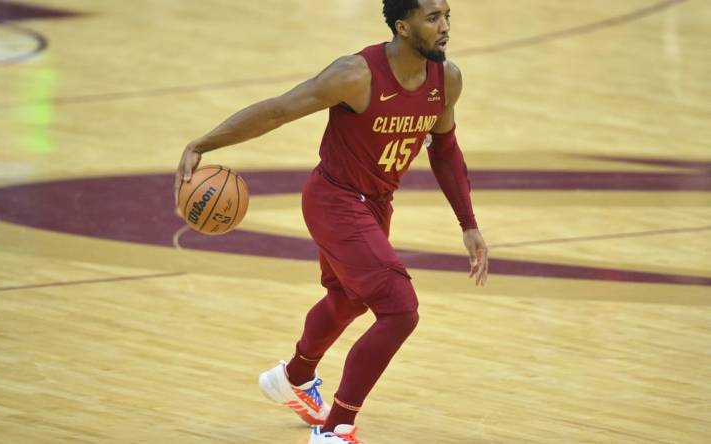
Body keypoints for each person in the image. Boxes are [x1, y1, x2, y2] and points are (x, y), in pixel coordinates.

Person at [175, 1, 489, 442]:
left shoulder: (446, 79)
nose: (445, 28)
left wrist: (468, 222)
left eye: (447, 16)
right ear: (402, 26)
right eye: (432, 18)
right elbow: (279, 110)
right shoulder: (355, 74)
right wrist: (203, 143)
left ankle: (293, 378)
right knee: (400, 310)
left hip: (376, 204)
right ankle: (336, 428)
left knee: (348, 300)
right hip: (334, 200)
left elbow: (444, 149)